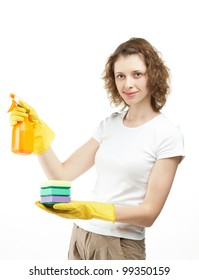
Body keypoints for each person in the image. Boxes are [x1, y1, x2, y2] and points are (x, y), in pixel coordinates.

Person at [10, 37, 185, 260]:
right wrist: (38, 139)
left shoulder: (167, 134)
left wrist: (92, 209)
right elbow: (61, 174)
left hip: (119, 245)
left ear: (154, 75)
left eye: (137, 74)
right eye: (120, 76)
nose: (127, 84)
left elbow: (149, 214)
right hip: (81, 236)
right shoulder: (109, 125)